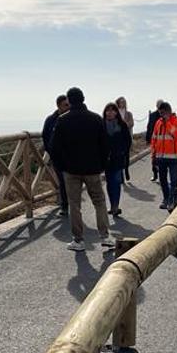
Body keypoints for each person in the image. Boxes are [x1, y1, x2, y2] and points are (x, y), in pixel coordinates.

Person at [50, 87, 113, 251]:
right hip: (92, 169)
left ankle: (78, 240)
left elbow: (54, 147)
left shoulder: (63, 120)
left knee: (74, 205)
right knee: (99, 202)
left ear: (69, 101)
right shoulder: (96, 119)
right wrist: (101, 165)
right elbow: (105, 145)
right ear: (84, 98)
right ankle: (105, 236)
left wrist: (61, 166)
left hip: (71, 171)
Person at [150, 101, 177, 211]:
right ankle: (166, 199)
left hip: (174, 158)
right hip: (161, 158)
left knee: (174, 180)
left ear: (169, 111)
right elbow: (154, 140)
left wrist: (168, 123)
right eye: (160, 113)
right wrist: (153, 156)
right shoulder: (158, 123)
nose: (162, 115)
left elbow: (176, 135)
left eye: (164, 113)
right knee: (162, 180)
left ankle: (171, 201)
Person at [41, 94, 70, 214]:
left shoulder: (71, 118)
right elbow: (45, 136)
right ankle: (65, 206)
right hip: (57, 157)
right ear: (58, 106)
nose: (68, 107)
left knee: (71, 181)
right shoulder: (50, 120)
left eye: (69, 105)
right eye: (66, 105)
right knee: (63, 182)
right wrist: (51, 152)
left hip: (71, 156)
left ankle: (73, 205)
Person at [103, 101, 132, 217]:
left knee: (116, 182)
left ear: (116, 112)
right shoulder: (102, 125)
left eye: (112, 110)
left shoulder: (122, 125)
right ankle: (112, 205)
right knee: (109, 184)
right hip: (106, 160)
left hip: (118, 159)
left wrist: (122, 152)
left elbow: (128, 141)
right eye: (107, 110)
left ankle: (115, 206)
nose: (110, 113)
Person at [115, 96, 135, 181]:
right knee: (119, 157)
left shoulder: (129, 114)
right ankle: (121, 175)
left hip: (127, 137)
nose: (122, 103)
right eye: (121, 102)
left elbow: (131, 123)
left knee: (126, 156)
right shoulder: (115, 113)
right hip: (118, 138)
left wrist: (124, 125)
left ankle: (126, 170)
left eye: (124, 102)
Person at [146, 99, 163, 182]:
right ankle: (155, 175)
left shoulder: (167, 115)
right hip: (155, 140)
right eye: (159, 105)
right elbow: (149, 127)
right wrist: (148, 139)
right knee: (154, 159)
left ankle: (163, 175)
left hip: (164, 141)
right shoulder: (152, 115)